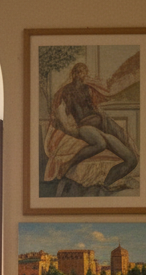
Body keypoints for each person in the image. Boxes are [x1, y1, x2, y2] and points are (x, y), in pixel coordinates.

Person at [44, 59, 140, 197]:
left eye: (84, 72)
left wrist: (101, 115)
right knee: (100, 143)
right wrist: (69, 127)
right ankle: (68, 164)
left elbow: (93, 106)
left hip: (100, 124)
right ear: (75, 73)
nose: (83, 75)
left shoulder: (87, 89)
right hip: (85, 126)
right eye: (80, 72)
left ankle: (106, 183)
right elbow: (62, 113)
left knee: (132, 160)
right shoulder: (67, 90)